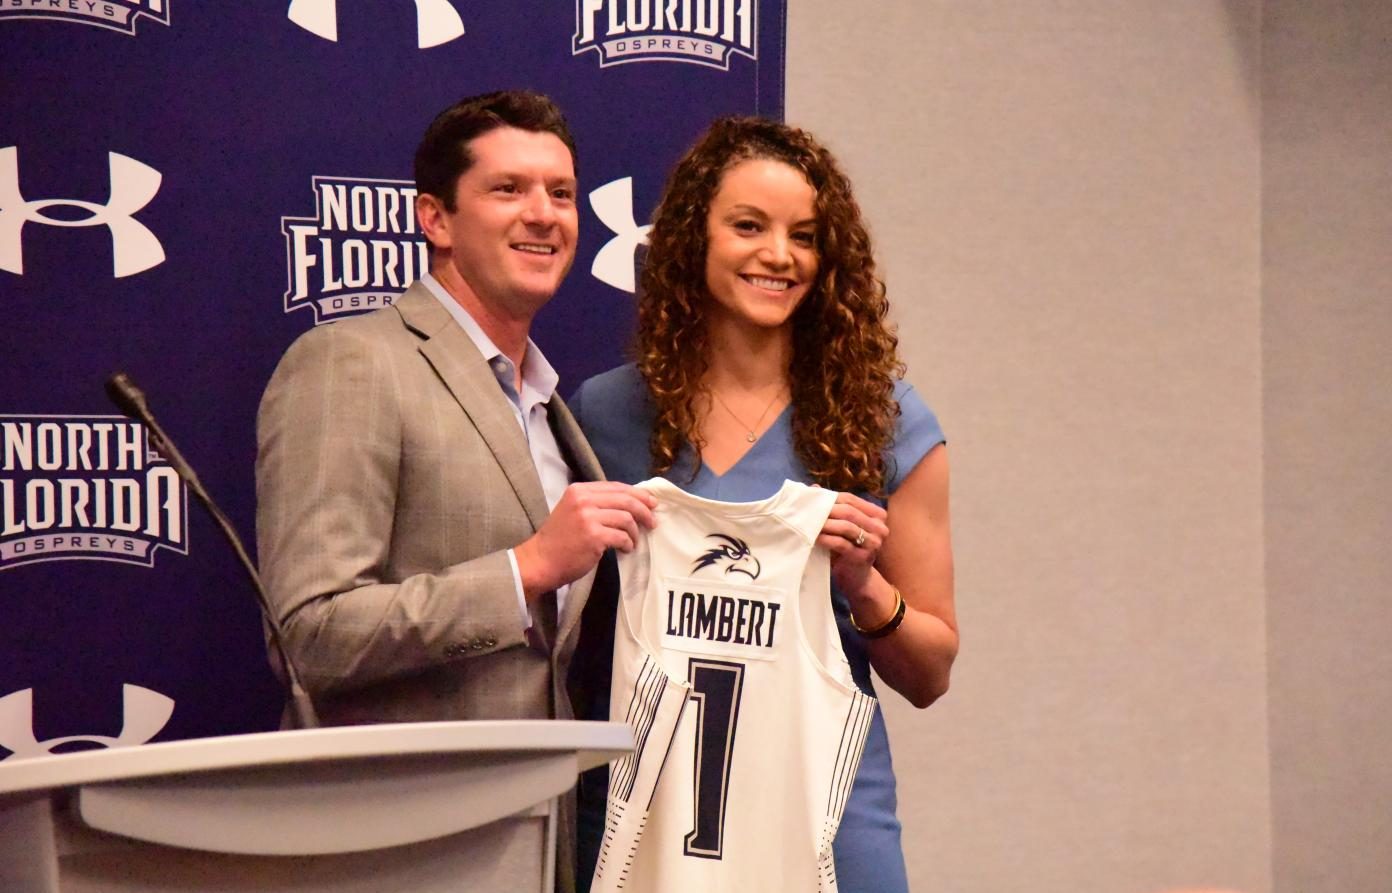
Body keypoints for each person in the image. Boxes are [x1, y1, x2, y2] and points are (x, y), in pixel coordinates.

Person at [255, 90, 655, 893]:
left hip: (539, 848)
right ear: (434, 219)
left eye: (562, 193)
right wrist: (526, 570)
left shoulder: (555, 410)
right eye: (508, 189)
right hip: (398, 849)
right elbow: (311, 633)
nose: (543, 214)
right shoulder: (353, 362)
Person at [569, 116, 958, 892]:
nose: (779, 255)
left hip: (824, 824)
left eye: (805, 236)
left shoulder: (886, 420)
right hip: (649, 822)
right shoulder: (604, 416)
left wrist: (863, 583)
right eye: (749, 225)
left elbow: (932, 671)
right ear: (694, 238)